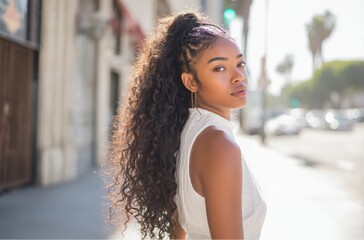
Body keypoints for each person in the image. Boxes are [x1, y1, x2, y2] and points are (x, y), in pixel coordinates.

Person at [107, 10, 267, 239]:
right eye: (219, 68)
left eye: (240, 64)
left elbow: (178, 232)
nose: (238, 76)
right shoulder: (219, 147)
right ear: (190, 81)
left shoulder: (186, 133)